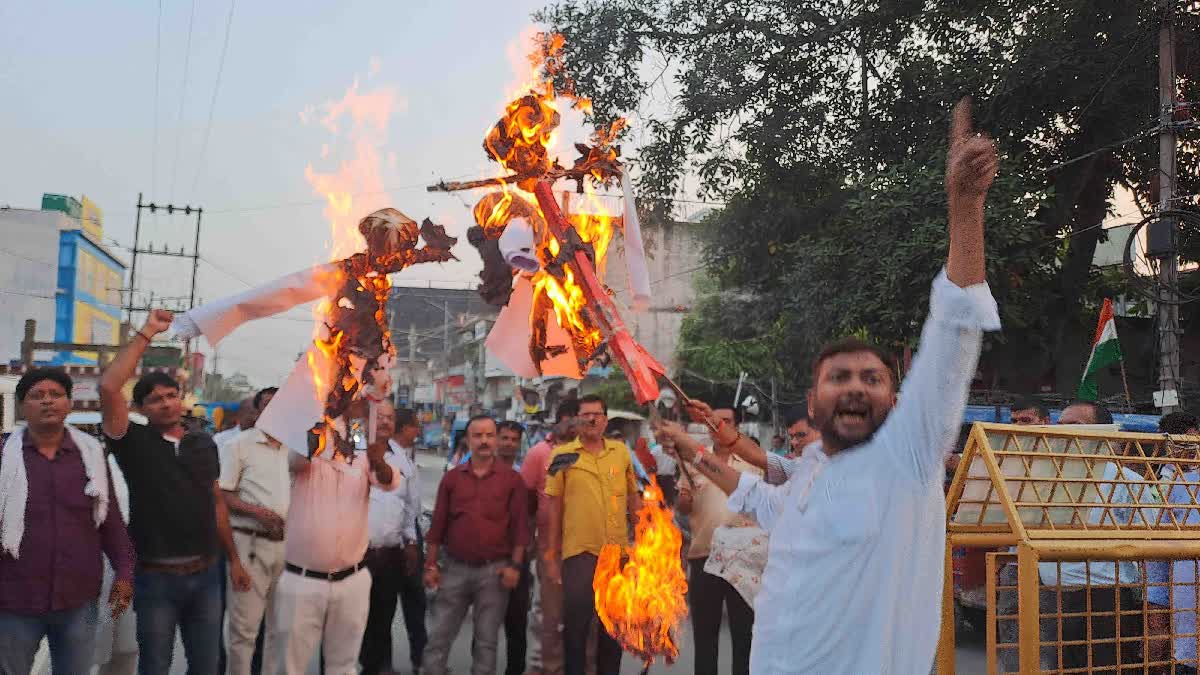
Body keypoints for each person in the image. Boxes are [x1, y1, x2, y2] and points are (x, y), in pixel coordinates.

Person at [656, 99, 1000, 672]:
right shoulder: (812, 473)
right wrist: (693, 448)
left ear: (895, 399)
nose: (855, 387)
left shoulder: (906, 459)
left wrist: (965, 210)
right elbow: (757, 497)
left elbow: (955, 330)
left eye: (872, 378)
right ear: (812, 402)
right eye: (838, 378)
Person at [100, 310, 251, 675]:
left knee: (207, 665)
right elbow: (108, 387)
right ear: (141, 409)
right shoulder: (131, 442)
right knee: (155, 664)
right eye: (155, 399)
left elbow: (215, 500)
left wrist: (233, 559)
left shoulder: (203, 443)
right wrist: (148, 332)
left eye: (171, 395)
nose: (166, 403)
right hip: (157, 580)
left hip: (207, 576)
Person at [0, 368, 136, 674]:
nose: (47, 402)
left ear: (68, 403)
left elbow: (111, 521)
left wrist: (125, 572)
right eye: (37, 396)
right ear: (22, 407)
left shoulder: (90, 455)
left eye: (56, 394)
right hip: (14, 598)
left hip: (78, 599)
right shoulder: (4, 456)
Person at [263, 398, 398, 674]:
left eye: (358, 400)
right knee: (290, 667)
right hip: (303, 582)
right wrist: (322, 414)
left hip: (353, 581)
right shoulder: (307, 446)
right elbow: (298, 459)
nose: (357, 404)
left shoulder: (361, 451)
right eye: (352, 399)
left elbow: (387, 481)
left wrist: (377, 459)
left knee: (344, 667)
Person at [422, 415, 530, 675]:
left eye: (489, 435)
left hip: (494, 572)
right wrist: (431, 565)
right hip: (454, 569)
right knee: (438, 637)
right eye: (477, 436)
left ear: (494, 440)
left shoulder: (512, 481)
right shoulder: (452, 479)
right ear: (467, 440)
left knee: (486, 642)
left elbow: (519, 529)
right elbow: (437, 526)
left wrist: (515, 566)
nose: (484, 441)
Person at [544, 394, 641, 675]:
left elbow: (633, 498)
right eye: (585, 414)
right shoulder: (561, 456)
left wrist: (644, 541)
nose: (591, 419)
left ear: (605, 419)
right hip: (579, 554)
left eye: (597, 414)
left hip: (617, 554)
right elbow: (554, 506)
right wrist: (551, 554)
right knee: (576, 628)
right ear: (577, 420)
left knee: (613, 629)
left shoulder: (621, 452)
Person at [675, 407, 762, 675]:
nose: (719, 426)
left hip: (743, 559)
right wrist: (684, 501)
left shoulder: (753, 462)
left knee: (744, 635)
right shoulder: (695, 461)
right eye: (714, 422)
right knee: (705, 636)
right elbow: (683, 506)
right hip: (704, 557)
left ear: (737, 426)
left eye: (726, 421)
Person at [218, 387, 292, 675]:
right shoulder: (238, 445)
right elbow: (222, 496)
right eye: (268, 407)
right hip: (249, 545)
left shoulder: (295, 448)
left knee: (278, 629)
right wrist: (258, 513)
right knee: (244, 631)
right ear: (258, 411)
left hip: (286, 548)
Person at [359, 406, 425, 675]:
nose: (384, 421)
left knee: (384, 613)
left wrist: (411, 543)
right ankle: (366, 665)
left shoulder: (403, 461)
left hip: (390, 552)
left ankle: (381, 666)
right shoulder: (352, 453)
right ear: (367, 419)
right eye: (379, 416)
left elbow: (410, 507)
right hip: (357, 553)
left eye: (389, 417)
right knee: (359, 616)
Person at [520, 400, 579, 675]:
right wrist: (527, 541)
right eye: (569, 419)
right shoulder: (539, 453)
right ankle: (547, 669)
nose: (574, 425)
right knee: (550, 618)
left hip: (586, 551)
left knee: (586, 617)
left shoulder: (592, 454)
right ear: (560, 421)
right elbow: (525, 501)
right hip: (550, 551)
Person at [497, 420, 534, 675]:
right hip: (487, 560)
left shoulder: (524, 477)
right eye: (505, 438)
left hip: (518, 560)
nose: (509, 443)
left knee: (517, 625)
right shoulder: (480, 471)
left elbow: (528, 518)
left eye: (513, 439)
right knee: (485, 626)